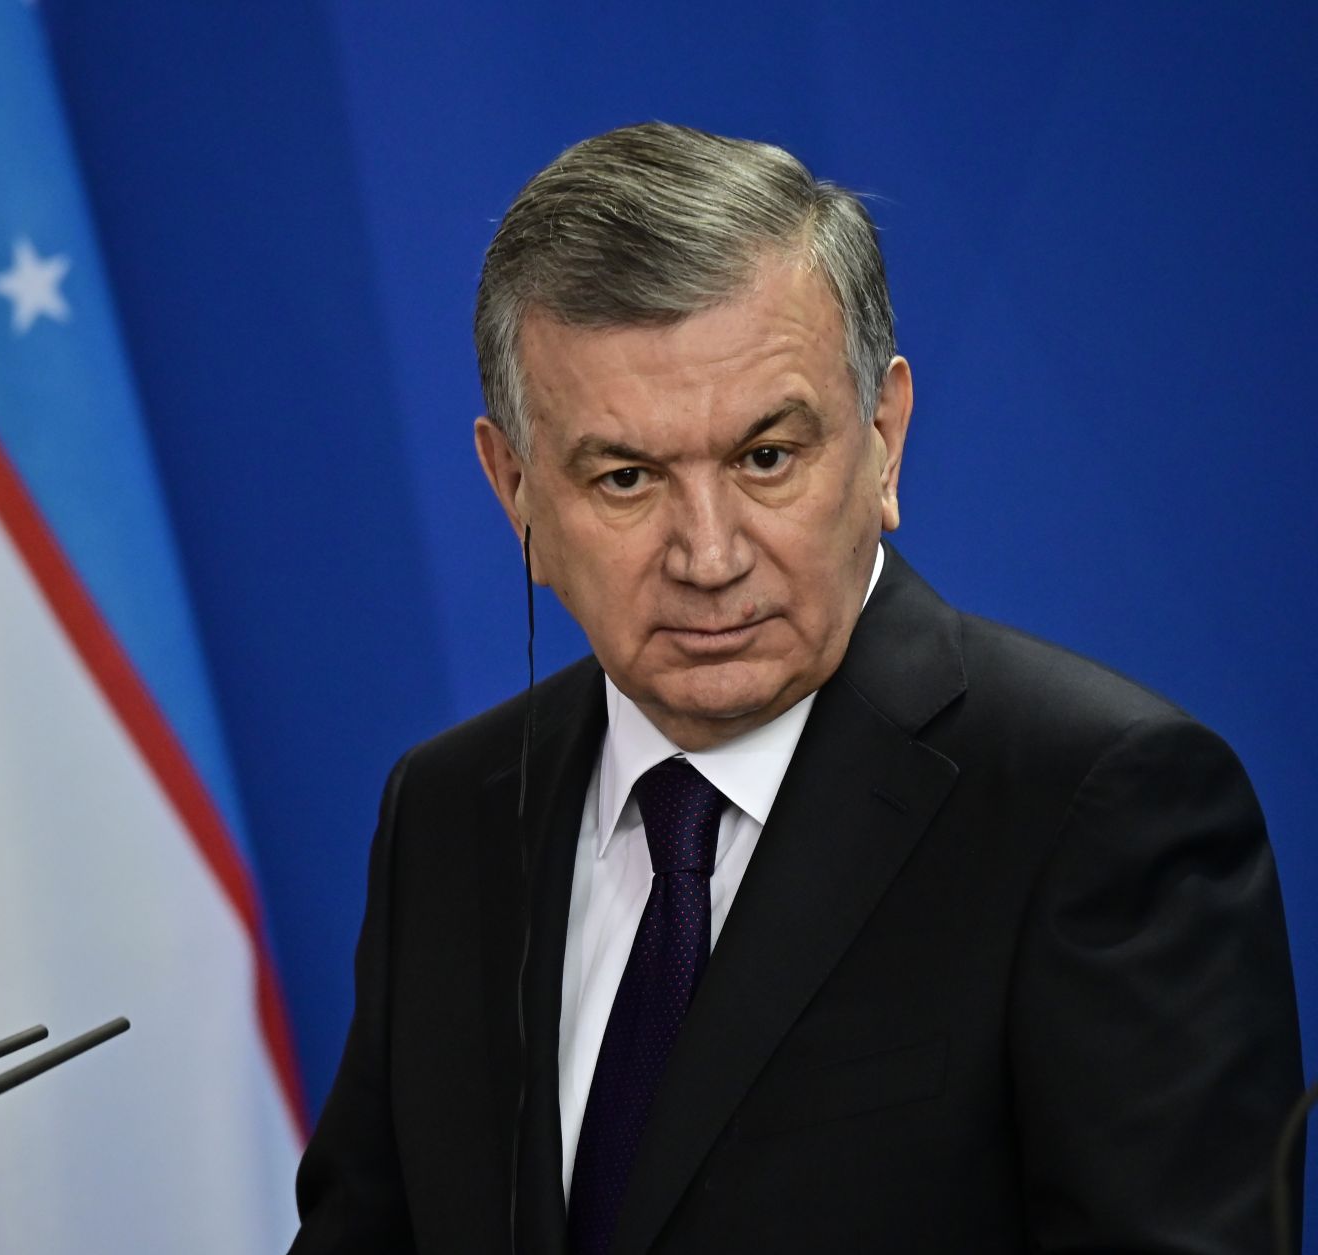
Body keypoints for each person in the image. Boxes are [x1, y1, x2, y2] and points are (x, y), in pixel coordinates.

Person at [289, 122, 1305, 1254]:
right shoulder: (447, 810)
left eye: (766, 458)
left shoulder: (1098, 807)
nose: (710, 553)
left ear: (884, 440)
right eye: (626, 478)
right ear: (515, 489)